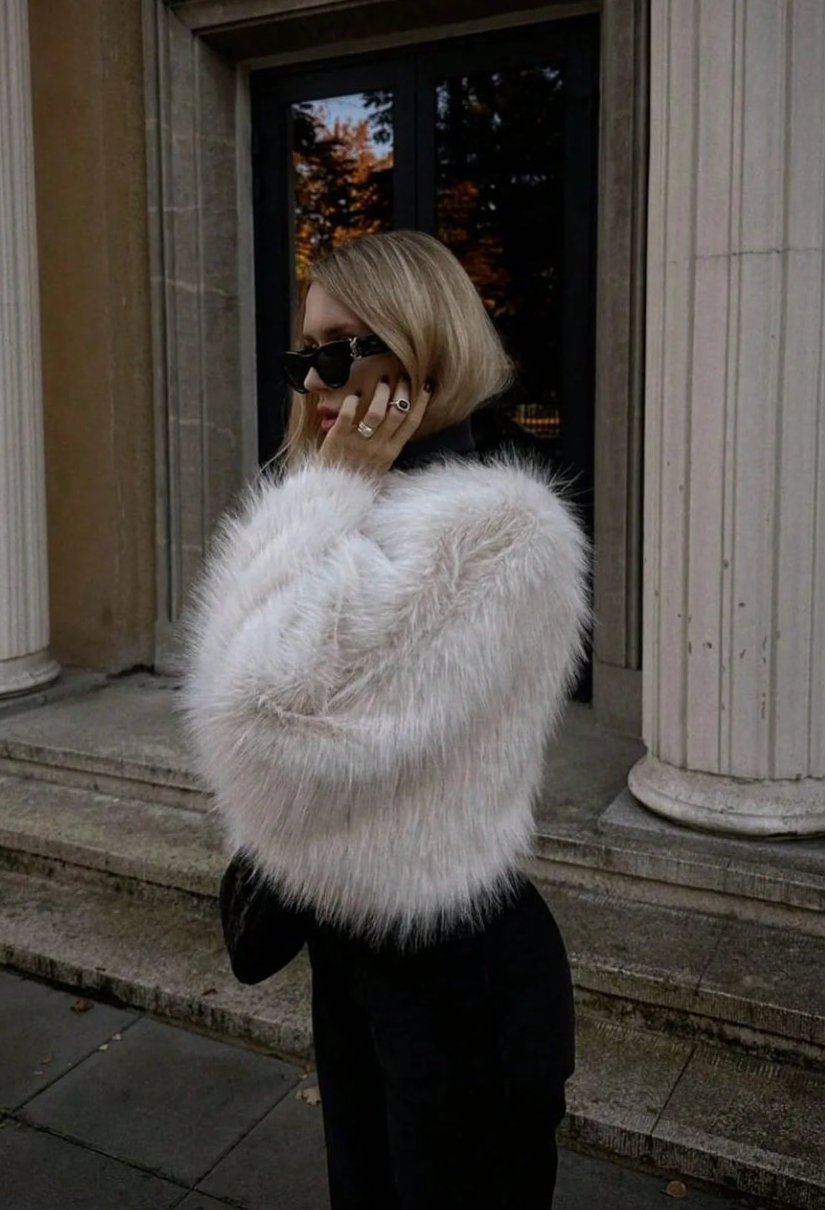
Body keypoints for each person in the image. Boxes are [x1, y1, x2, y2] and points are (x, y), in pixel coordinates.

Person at [182, 229, 590, 1210]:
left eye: (347, 347)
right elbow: (232, 681)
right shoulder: (362, 505)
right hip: (354, 962)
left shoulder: (493, 529)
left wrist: (323, 494)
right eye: (306, 355)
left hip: (459, 982)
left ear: (425, 345)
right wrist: (328, 495)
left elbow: (252, 709)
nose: (320, 379)